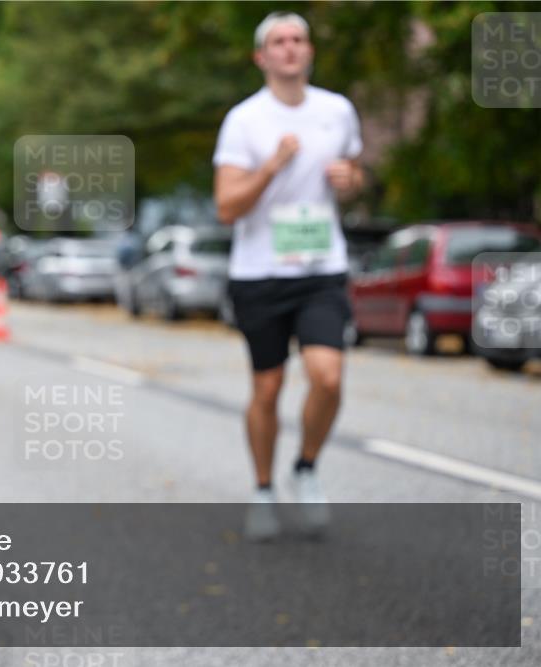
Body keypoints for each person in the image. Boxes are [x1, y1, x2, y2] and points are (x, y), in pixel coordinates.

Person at [212, 12, 365, 540]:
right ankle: (261, 489)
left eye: (299, 39)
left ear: (310, 51)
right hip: (260, 274)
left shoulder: (336, 111)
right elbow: (227, 207)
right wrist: (271, 167)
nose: (290, 48)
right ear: (262, 57)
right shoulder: (245, 121)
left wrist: (350, 180)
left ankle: (305, 466)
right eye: (279, 41)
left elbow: (352, 178)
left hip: (322, 267)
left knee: (328, 376)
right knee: (268, 387)